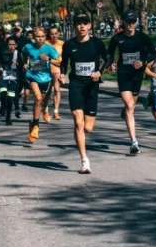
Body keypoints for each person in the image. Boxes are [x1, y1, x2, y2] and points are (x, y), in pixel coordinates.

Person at [59, 13, 107, 174]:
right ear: (74, 26)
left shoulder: (97, 43)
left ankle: (83, 139)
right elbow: (64, 63)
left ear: (89, 26)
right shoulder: (69, 44)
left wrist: (100, 72)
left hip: (92, 86)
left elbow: (107, 59)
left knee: (88, 128)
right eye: (79, 23)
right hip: (76, 85)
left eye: (85, 23)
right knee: (78, 123)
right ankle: (84, 161)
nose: (82, 26)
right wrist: (62, 74)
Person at [108, 11, 156, 155]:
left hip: (137, 75)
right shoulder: (117, 38)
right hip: (123, 74)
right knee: (130, 105)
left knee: (131, 106)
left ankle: (126, 112)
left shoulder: (142, 37)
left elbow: (153, 53)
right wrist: (111, 63)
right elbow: (109, 53)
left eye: (133, 21)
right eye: (128, 21)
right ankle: (134, 142)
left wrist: (143, 62)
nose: (130, 24)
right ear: (123, 22)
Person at [22, 27, 59, 143]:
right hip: (32, 76)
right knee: (38, 98)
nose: (40, 39)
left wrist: (48, 59)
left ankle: (33, 124)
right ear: (34, 36)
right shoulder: (28, 47)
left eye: (42, 36)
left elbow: (58, 62)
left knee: (41, 101)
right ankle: (36, 126)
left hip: (45, 78)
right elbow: (23, 54)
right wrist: (24, 63)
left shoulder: (49, 48)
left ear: (45, 36)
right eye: (38, 36)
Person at [0, 37, 21, 125]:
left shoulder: (18, 54)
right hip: (3, 77)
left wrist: (18, 64)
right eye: (10, 44)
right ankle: (3, 105)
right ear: (7, 45)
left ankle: (8, 117)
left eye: (13, 45)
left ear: (16, 45)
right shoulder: (2, 52)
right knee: (3, 94)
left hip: (14, 78)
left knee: (10, 98)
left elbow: (23, 66)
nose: (11, 47)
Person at [44, 26, 64, 121]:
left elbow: (62, 61)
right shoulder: (45, 43)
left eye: (56, 33)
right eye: (52, 34)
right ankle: (46, 109)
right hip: (46, 70)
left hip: (57, 69)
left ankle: (56, 111)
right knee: (47, 91)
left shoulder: (62, 44)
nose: (54, 36)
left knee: (57, 90)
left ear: (58, 34)